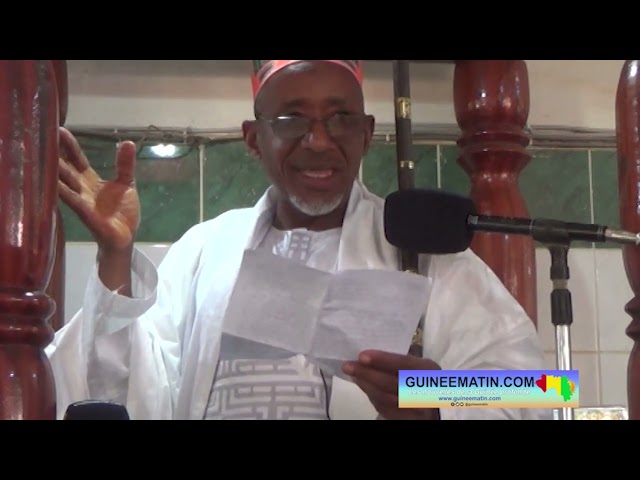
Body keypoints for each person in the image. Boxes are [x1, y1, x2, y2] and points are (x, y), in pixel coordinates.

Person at [47, 60, 550, 420]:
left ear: (367, 131)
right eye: (291, 120)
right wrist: (116, 256)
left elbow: (535, 390)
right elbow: (119, 390)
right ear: (253, 139)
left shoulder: (423, 247)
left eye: (341, 119)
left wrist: (428, 397)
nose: (319, 141)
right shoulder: (206, 250)